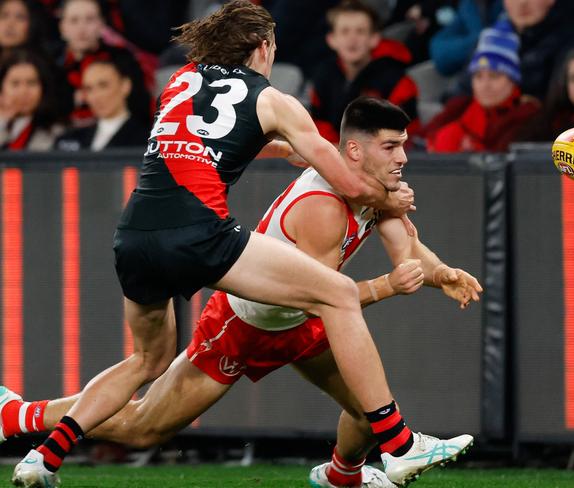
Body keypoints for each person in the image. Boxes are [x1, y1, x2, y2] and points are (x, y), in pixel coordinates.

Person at [9, 3, 460, 487]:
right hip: (200, 235)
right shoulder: (274, 100)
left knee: (145, 361)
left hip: (134, 234)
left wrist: (280, 147)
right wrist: (391, 195)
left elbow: (208, 134)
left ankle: (38, 446)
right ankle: (401, 444)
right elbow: (351, 186)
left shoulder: (178, 81)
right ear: (263, 48)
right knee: (339, 293)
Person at [310, 0, 419, 144]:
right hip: (335, 156)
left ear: (374, 38)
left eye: (360, 31)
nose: (352, 38)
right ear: (331, 39)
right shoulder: (324, 74)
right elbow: (318, 124)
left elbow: (402, 134)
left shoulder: (397, 80)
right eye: (344, 31)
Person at [422, 24, 539, 152]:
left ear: (513, 80)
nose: (485, 84)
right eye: (478, 76)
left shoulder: (528, 116)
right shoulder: (459, 107)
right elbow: (416, 144)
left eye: (494, 76)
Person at [56, 0, 150, 127]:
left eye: (89, 19)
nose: (82, 28)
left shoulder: (123, 60)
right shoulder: (52, 64)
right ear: (62, 27)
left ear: (101, 24)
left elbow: (140, 105)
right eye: (74, 20)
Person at [55, 58, 149, 151]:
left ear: (125, 86)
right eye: (89, 89)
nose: (96, 97)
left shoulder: (150, 141)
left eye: (103, 86)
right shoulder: (69, 140)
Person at [0, 48, 66, 150]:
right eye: (15, 83)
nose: (23, 91)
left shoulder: (57, 132)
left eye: (31, 83)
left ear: (43, 88)